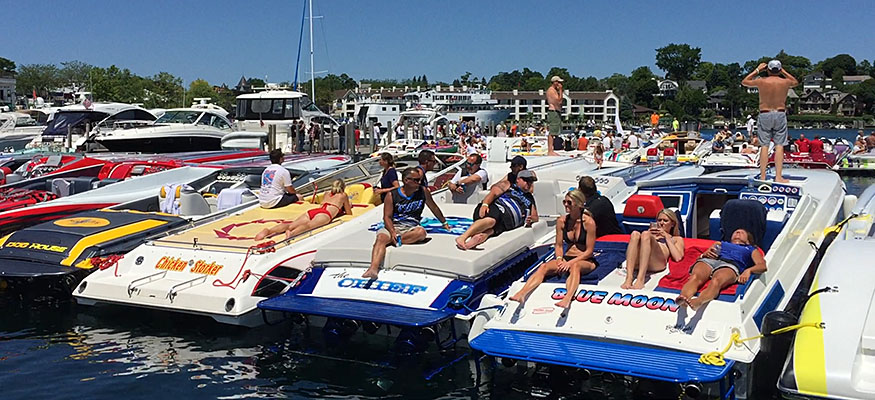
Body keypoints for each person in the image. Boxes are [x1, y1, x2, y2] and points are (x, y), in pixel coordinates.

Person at [508, 190, 596, 308]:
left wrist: (570, 263)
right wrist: (559, 259)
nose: (565, 205)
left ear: (579, 204)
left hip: (585, 260)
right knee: (544, 267)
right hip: (566, 257)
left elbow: (589, 251)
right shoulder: (562, 221)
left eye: (569, 202)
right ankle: (522, 293)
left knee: (575, 267)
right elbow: (558, 245)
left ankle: (567, 298)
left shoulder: (589, 223)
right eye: (564, 202)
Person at [364, 167, 450, 279]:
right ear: (406, 180)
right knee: (380, 238)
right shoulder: (392, 195)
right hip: (393, 226)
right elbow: (387, 217)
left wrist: (444, 222)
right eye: (416, 180)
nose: (419, 183)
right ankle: (373, 269)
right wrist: (392, 231)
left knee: (421, 233)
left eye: (420, 180)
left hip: (411, 227)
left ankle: (396, 240)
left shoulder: (423, 192)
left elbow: (433, 207)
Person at [677, 228, 766, 310]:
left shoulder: (751, 249)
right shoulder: (720, 243)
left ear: (748, 240)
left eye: (742, 232)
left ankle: (699, 301)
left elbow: (762, 266)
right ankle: (684, 297)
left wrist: (748, 270)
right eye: (735, 232)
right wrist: (704, 255)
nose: (738, 233)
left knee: (716, 281)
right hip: (711, 260)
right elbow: (703, 255)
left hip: (731, 265)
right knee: (696, 276)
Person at [742, 59, 799, 183]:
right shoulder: (785, 82)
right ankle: (778, 176)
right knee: (779, 145)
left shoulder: (762, 81)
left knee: (764, 146)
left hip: (765, 113)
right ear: (779, 70)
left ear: (768, 69)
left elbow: (745, 81)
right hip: (779, 113)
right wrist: (783, 71)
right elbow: (795, 82)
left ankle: (763, 176)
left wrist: (757, 70)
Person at [455, 170, 538, 250]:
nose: (529, 183)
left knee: (491, 230)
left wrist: (531, 219)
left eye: (531, 182)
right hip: (496, 208)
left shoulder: (530, 198)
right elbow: (493, 194)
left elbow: (535, 217)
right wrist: (485, 204)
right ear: (518, 179)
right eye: (526, 180)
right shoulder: (508, 185)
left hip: (506, 223)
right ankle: (463, 237)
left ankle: (478, 238)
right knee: (491, 221)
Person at [255, 179, 353, 241]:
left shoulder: (326, 193)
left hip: (314, 211)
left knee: (291, 224)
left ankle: (269, 231)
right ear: (343, 187)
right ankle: (292, 234)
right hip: (324, 214)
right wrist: (346, 207)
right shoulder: (343, 195)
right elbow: (349, 213)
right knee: (308, 226)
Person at [621, 209, 685, 289]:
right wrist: (648, 236)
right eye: (659, 220)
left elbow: (678, 257)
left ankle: (640, 279)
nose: (661, 223)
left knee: (645, 234)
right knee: (635, 234)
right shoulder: (649, 235)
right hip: (640, 262)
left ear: (672, 224)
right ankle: (629, 278)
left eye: (665, 221)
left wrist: (666, 237)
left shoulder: (676, 239)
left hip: (658, 263)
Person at [546, 76, 564, 156]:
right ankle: (550, 151)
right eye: (559, 82)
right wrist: (560, 90)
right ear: (555, 82)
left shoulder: (552, 90)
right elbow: (559, 101)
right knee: (552, 132)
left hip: (556, 112)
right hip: (553, 112)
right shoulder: (551, 91)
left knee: (554, 131)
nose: (560, 84)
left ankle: (551, 150)